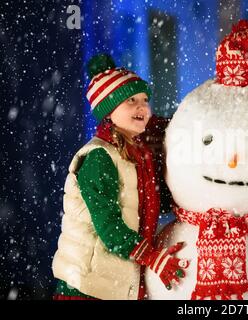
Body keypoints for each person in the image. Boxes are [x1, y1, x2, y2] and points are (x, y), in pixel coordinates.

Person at [52, 54, 188, 300]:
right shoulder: (99, 157)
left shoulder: (139, 155)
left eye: (145, 100)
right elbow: (109, 228)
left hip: (116, 283)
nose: (142, 107)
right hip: (87, 285)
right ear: (108, 110)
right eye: (130, 100)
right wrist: (153, 258)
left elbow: (150, 205)